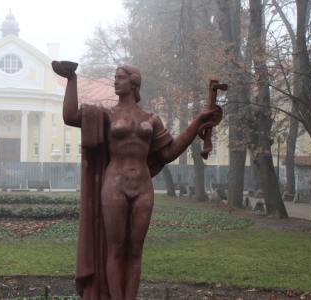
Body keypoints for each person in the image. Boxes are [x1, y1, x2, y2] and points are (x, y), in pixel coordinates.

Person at [52, 61, 223, 300]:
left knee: (134, 251)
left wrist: (197, 122)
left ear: (133, 83)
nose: (115, 81)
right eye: (115, 77)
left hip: (143, 188)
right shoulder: (106, 115)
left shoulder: (151, 119)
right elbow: (70, 116)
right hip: (114, 185)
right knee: (115, 249)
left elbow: (168, 152)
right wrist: (72, 80)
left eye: (119, 77)